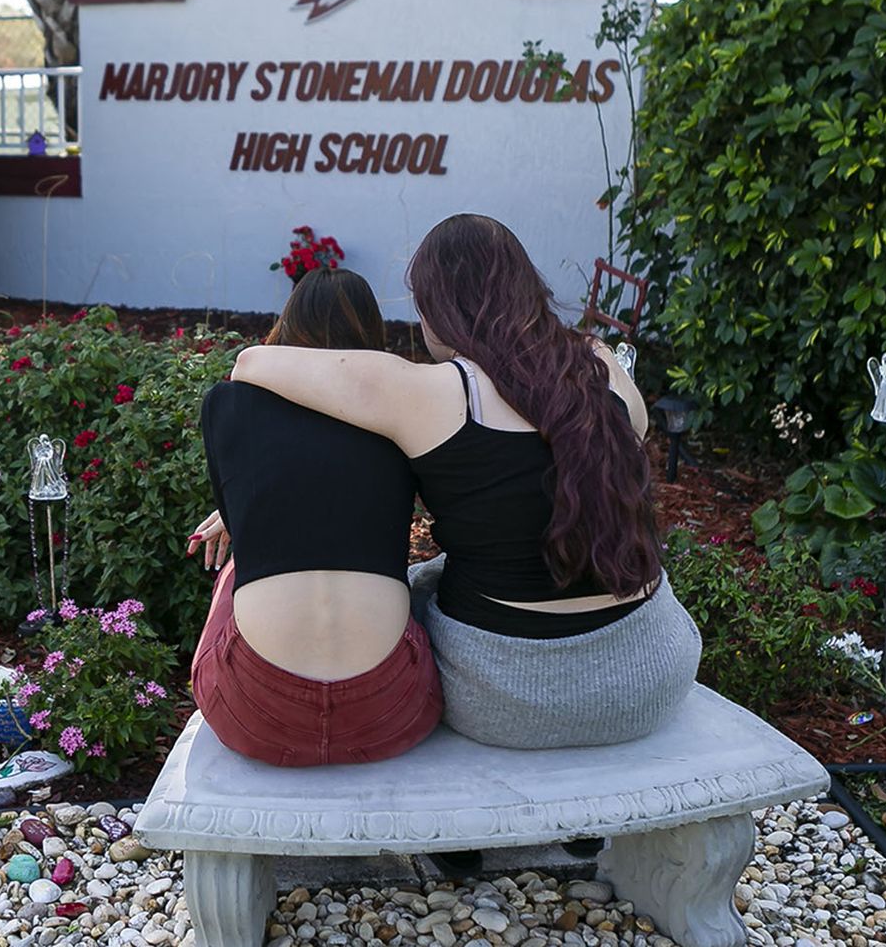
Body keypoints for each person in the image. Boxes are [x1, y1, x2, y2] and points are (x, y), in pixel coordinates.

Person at [229, 213, 700, 751]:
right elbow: (631, 431)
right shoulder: (598, 362)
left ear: (439, 309)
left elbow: (253, 362)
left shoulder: (427, 393)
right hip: (652, 677)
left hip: (508, 698)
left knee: (406, 594)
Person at [189, 268, 443, 768]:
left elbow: (258, 522)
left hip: (252, 716)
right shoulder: (403, 416)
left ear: (288, 323)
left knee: (239, 567)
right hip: (390, 714)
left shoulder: (228, 404)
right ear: (372, 331)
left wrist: (238, 513)